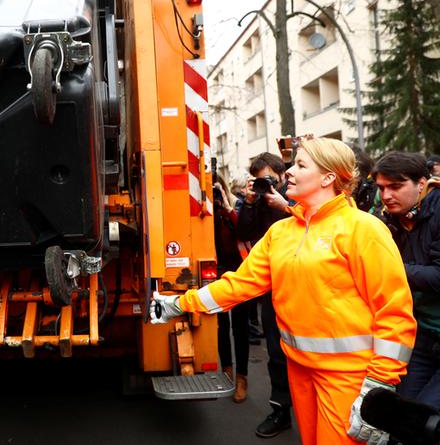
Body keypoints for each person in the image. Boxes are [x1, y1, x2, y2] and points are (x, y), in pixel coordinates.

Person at [152, 138, 416, 445]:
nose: (289, 171)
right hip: (300, 369)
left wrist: (378, 385)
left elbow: (395, 313)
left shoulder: (363, 229)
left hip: (349, 375)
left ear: (329, 177)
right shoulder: (281, 232)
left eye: (301, 165)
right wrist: (180, 304)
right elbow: (240, 284)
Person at [373, 152, 440, 408]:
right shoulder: (390, 218)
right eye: (381, 188)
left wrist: (390, 267)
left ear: (421, 183)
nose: (386, 195)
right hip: (421, 335)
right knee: (403, 411)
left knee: (426, 418)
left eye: (395, 186)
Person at [236, 152, 294, 438]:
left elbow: (313, 221)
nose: (265, 185)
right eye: (260, 181)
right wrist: (249, 202)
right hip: (272, 286)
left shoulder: (296, 195)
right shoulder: (256, 201)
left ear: (282, 175)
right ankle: (281, 410)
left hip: (301, 286)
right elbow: (244, 231)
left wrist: (285, 206)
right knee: (276, 353)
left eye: (270, 179)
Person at [213, 175, 250, 403]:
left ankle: (242, 378)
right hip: (216, 271)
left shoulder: (236, 205)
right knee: (220, 326)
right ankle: (226, 371)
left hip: (239, 271)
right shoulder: (204, 211)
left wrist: (226, 207)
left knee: (240, 327)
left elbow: (244, 232)